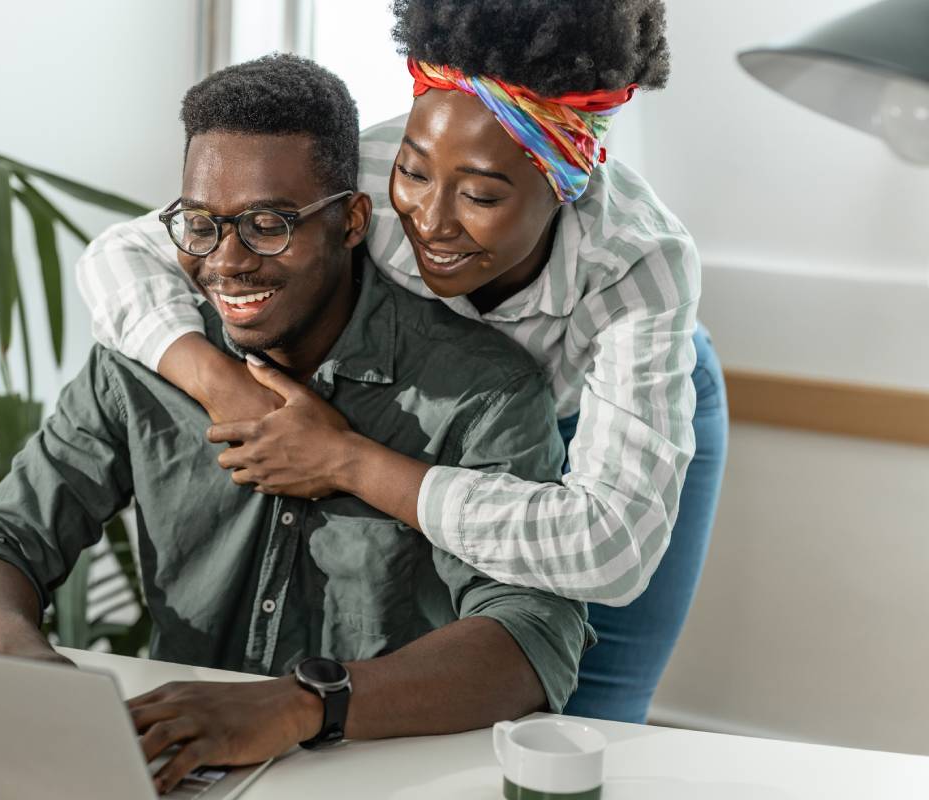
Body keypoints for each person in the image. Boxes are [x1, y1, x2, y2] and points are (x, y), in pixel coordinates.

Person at [0, 54, 590, 794]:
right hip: (180, 769)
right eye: (201, 225)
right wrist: (30, 673)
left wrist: (304, 705)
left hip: (387, 773)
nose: (227, 262)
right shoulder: (141, 366)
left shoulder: (481, 391)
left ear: (352, 221)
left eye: (269, 224)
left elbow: (528, 638)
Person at [74, 0, 729, 724]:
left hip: (591, 420)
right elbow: (123, 255)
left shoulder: (638, 260)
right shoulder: (369, 172)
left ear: (565, 183)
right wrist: (225, 387)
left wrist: (346, 461)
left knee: (588, 718)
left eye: (481, 194)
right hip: (453, 417)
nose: (432, 220)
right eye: (415, 176)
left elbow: (612, 548)